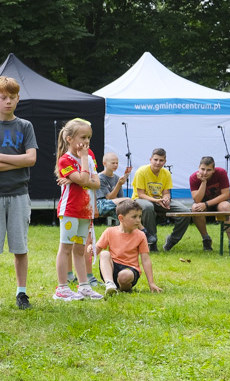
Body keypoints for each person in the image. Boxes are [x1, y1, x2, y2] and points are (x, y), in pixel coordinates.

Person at [0, 77, 37, 310]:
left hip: (19, 193)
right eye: (3, 97)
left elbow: (31, 159)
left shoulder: (25, 126)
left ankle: (21, 293)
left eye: (12, 97)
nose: (8, 101)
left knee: (20, 247)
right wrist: (18, 162)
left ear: (18, 98)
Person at [52, 119, 103, 301]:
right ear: (70, 139)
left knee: (80, 250)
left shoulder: (89, 156)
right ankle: (62, 288)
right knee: (66, 248)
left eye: (89, 137)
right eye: (83, 137)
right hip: (70, 210)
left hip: (85, 210)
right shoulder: (65, 159)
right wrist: (80, 175)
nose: (87, 141)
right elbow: (83, 179)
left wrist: (77, 178)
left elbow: (96, 183)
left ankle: (84, 286)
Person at [94, 199, 162, 294]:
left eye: (139, 216)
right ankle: (109, 284)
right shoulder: (109, 231)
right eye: (134, 217)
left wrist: (151, 283)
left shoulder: (141, 235)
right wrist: (90, 249)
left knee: (124, 276)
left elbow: (145, 259)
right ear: (121, 218)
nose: (138, 220)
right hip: (112, 269)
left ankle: (122, 288)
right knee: (105, 253)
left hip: (130, 271)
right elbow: (95, 252)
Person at [131, 148, 190, 252]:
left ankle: (172, 240)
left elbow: (166, 192)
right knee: (148, 207)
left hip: (159, 200)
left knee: (185, 211)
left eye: (161, 160)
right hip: (140, 200)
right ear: (150, 159)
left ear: (165, 161)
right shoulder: (141, 171)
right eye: (156, 159)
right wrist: (156, 201)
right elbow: (141, 194)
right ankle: (152, 241)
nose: (158, 163)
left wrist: (166, 199)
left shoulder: (166, 173)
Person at [189, 156, 230, 252]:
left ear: (214, 170)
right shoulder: (193, 178)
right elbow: (197, 199)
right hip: (203, 202)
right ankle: (206, 239)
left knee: (224, 207)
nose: (205, 173)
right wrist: (203, 182)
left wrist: (206, 204)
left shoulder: (221, 173)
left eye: (208, 170)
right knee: (195, 208)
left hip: (221, 201)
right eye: (202, 169)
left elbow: (225, 195)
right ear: (198, 168)